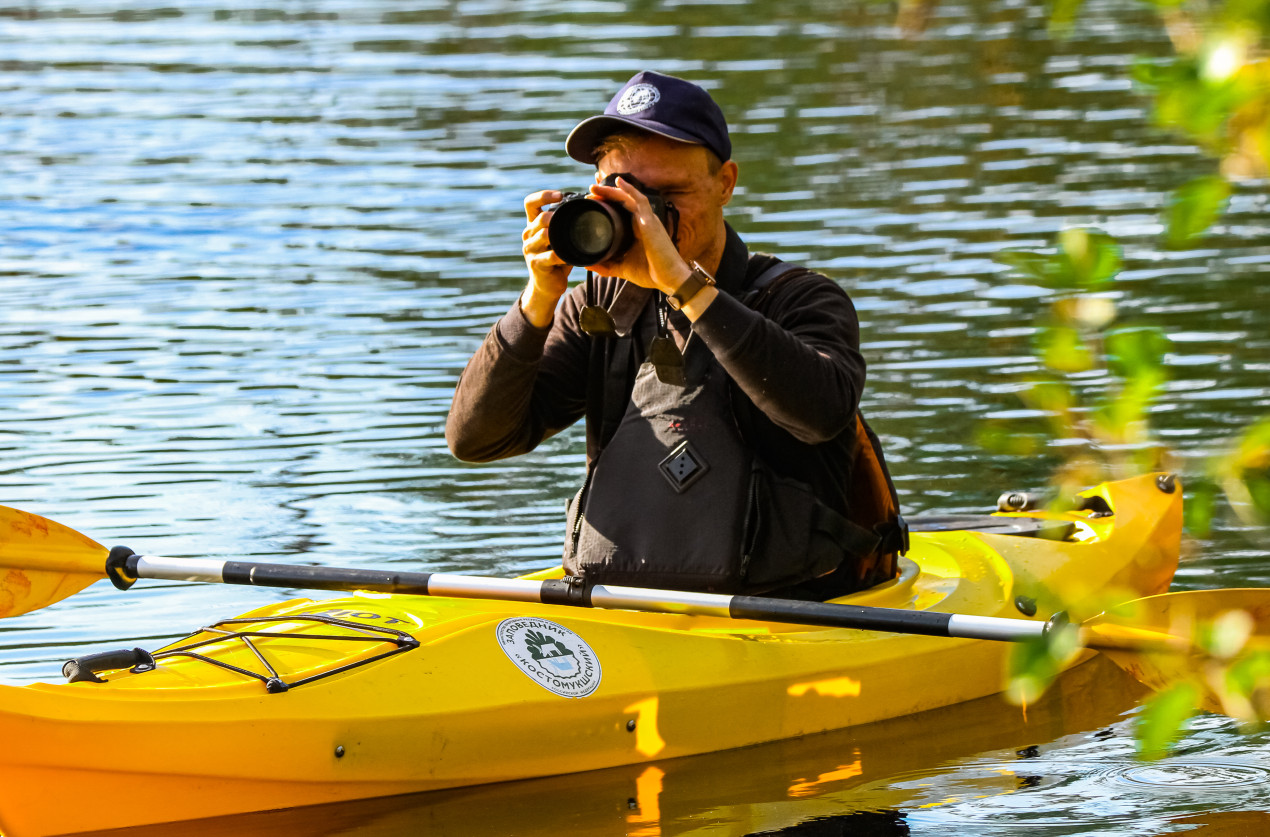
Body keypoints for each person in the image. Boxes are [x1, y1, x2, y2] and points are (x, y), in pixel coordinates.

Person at [447, 71, 904, 599]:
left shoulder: (800, 299)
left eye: (668, 195)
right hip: (627, 607)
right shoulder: (598, 303)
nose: (647, 219)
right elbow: (476, 440)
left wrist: (686, 288)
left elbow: (822, 414)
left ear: (725, 183)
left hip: (794, 612)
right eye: (624, 195)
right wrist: (537, 301)